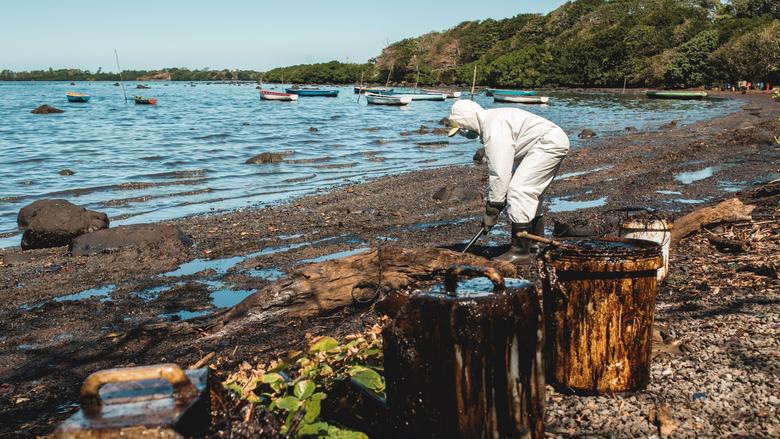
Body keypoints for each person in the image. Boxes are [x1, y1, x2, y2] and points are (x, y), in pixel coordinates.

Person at [448, 99, 570, 263]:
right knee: (530, 192)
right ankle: (536, 243)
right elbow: (506, 169)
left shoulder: (493, 129)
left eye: (462, 129)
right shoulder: (492, 119)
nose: (465, 134)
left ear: (467, 121)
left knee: (519, 190)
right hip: (545, 142)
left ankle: (520, 251)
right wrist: (499, 199)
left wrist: (493, 207)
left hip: (547, 143)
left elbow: (499, 173)